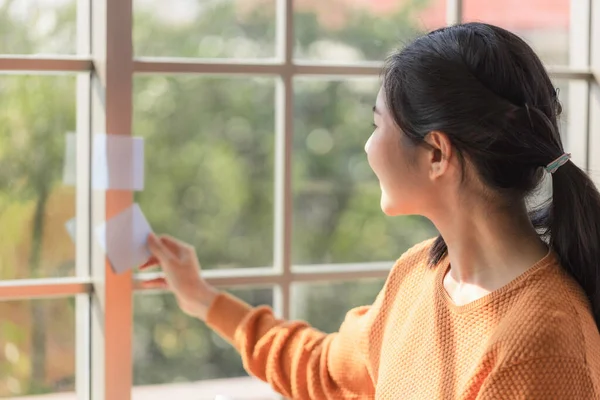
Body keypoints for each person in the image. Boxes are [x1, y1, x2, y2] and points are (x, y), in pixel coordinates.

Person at [139, 22, 600, 399]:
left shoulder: (540, 347)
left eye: (377, 124)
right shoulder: (420, 274)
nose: (367, 146)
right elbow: (326, 369)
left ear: (436, 154)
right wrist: (202, 299)